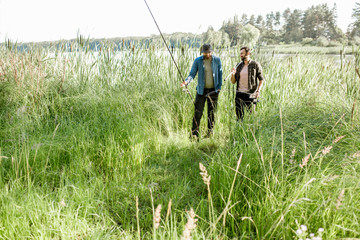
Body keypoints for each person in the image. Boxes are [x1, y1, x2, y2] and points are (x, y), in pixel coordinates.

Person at [181, 44, 223, 139]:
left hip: (214, 91)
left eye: (208, 52)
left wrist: (219, 87)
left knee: (211, 113)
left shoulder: (217, 60)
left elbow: (220, 74)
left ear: (211, 51)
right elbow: (192, 74)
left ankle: (210, 134)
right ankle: (194, 134)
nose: (206, 54)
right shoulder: (198, 60)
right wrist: (186, 82)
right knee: (197, 113)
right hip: (201, 91)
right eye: (204, 52)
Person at [230, 46, 264, 121]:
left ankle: (251, 131)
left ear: (248, 53)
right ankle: (239, 131)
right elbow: (233, 81)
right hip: (239, 95)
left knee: (251, 118)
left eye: (242, 53)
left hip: (251, 95)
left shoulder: (255, 64)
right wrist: (233, 74)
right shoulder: (238, 65)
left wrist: (258, 91)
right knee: (239, 118)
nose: (240, 55)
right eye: (240, 54)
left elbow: (261, 79)